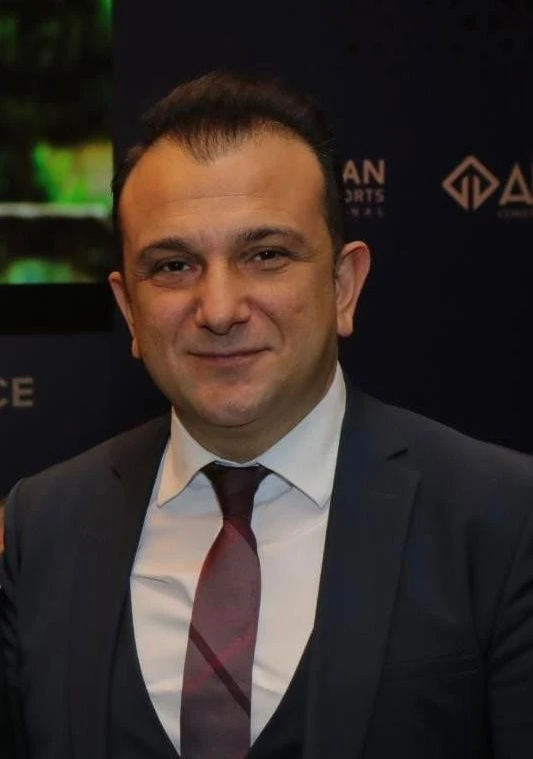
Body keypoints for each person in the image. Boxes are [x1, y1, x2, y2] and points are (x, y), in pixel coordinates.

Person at [1, 71, 533, 759]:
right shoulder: (43, 524)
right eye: (173, 266)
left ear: (343, 286)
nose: (220, 309)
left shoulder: (504, 519)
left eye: (266, 255)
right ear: (129, 309)